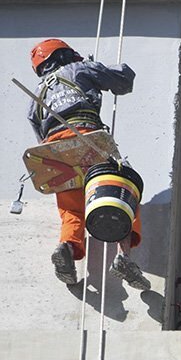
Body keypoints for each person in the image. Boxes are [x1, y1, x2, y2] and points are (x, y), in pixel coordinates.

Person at [27, 38, 150, 290]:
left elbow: (40, 138)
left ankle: (67, 248)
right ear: (63, 56)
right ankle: (124, 258)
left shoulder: (35, 98)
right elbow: (124, 80)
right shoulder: (78, 69)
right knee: (121, 195)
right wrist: (93, 66)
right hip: (87, 139)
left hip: (57, 153)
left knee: (71, 210)